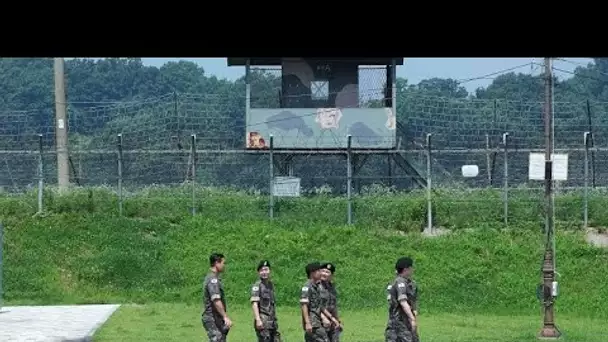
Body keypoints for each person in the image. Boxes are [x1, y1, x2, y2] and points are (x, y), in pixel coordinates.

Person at [385, 257, 418, 342]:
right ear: (406, 269)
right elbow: (403, 302)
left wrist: (414, 310)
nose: (412, 269)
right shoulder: (400, 283)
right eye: (411, 267)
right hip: (400, 324)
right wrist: (412, 319)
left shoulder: (406, 282)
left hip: (400, 323)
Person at [202, 253, 232, 342]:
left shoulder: (214, 278)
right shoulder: (212, 280)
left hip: (216, 317)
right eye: (223, 263)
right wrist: (225, 316)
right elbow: (216, 300)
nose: (224, 266)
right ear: (216, 263)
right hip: (212, 317)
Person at [250, 260, 282, 342]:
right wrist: (258, 320)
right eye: (262, 270)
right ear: (258, 272)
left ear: (270, 271)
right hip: (263, 322)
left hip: (272, 323)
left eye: (266, 269)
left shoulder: (270, 285)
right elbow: (254, 304)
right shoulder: (257, 286)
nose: (264, 272)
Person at [300, 262, 329, 342]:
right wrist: (307, 323)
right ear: (312, 273)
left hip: (316, 321)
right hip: (313, 323)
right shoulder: (307, 287)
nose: (321, 273)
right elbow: (304, 305)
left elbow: (318, 306)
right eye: (319, 271)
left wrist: (326, 317)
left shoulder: (316, 286)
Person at [319, 262, 342, 342]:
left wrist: (337, 320)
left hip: (331, 320)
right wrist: (324, 318)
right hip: (319, 320)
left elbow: (334, 305)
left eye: (327, 272)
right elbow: (315, 306)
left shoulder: (332, 287)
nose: (324, 274)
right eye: (323, 271)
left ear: (332, 275)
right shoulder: (316, 287)